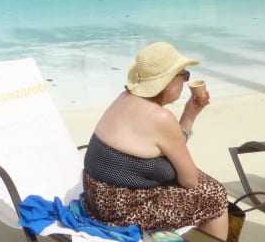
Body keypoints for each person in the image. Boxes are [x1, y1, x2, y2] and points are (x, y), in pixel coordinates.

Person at [82, 42, 228, 238]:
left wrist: (190, 114)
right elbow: (190, 181)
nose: (185, 82)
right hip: (120, 210)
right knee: (215, 194)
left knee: (201, 182)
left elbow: (166, 144)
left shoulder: (124, 97)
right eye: (184, 75)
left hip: (96, 196)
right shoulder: (160, 117)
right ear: (168, 83)